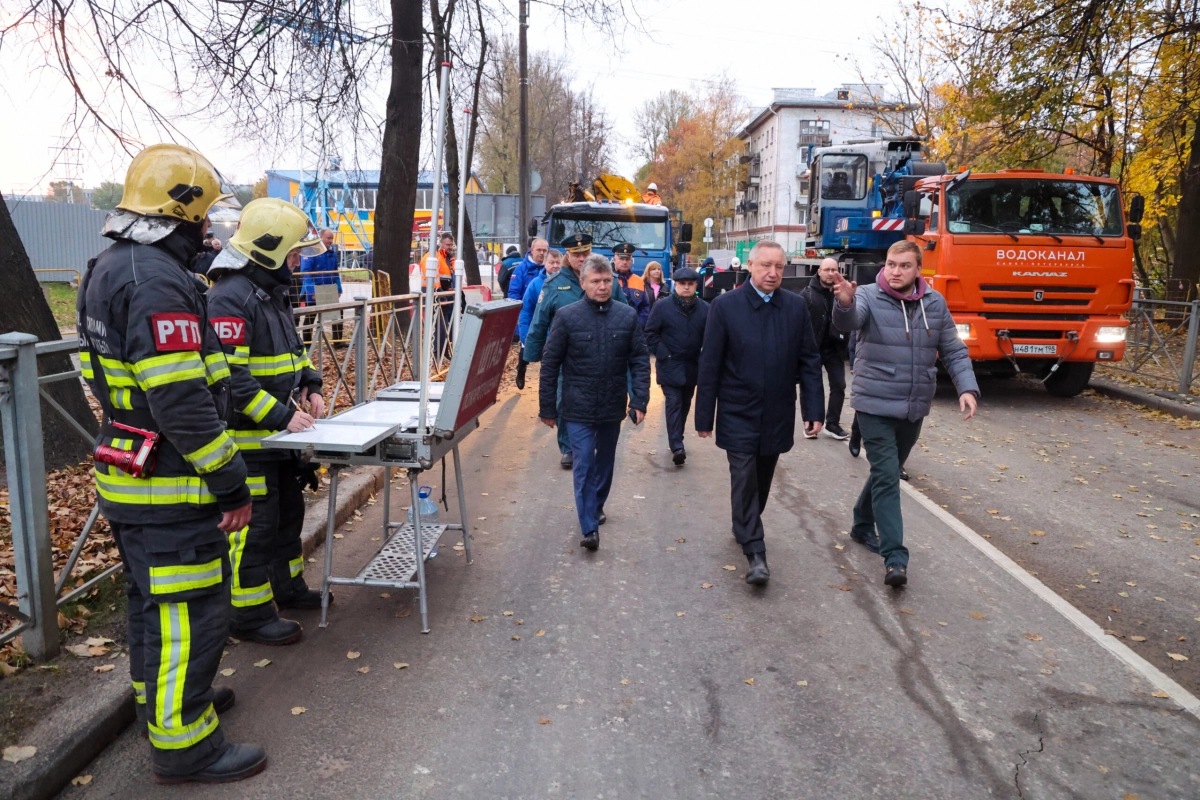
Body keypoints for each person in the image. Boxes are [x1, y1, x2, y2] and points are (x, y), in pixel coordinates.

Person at [77, 143, 263, 784]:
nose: (208, 233)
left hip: (132, 476)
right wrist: (231, 480)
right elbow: (182, 401)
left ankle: (158, 705)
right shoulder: (156, 281)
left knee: (151, 605)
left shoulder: (111, 265)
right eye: (203, 219)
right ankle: (185, 745)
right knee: (191, 614)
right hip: (170, 488)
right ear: (178, 214)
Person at [206, 198, 329, 644]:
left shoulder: (269, 294)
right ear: (268, 250)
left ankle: (288, 588)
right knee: (255, 530)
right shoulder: (228, 299)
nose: (297, 262)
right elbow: (230, 379)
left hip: (277, 439)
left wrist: (311, 383)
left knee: (286, 516)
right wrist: (282, 416)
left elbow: (294, 353)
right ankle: (250, 614)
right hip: (249, 443)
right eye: (294, 253)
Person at [831, 239, 979, 587]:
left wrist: (968, 388)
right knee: (887, 475)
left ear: (918, 269)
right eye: (890, 264)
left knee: (889, 470)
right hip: (874, 403)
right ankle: (895, 557)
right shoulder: (867, 295)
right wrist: (844, 301)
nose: (895, 271)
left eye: (903, 266)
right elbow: (850, 321)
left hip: (914, 405)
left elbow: (954, 351)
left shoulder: (935, 302)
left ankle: (861, 523)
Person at [695, 240, 825, 587]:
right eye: (765, 265)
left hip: (777, 412)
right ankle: (756, 553)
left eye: (779, 267)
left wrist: (814, 409)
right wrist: (704, 416)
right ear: (749, 266)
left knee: (761, 480)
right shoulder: (725, 306)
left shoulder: (795, 308)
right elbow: (710, 365)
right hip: (738, 410)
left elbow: (809, 362)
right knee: (744, 476)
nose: (772, 273)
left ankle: (744, 523)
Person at [538, 254, 650, 551]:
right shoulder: (567, 316)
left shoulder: (626, 316)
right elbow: (551, 364)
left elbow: (639, 360)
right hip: (577, 406)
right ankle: (589, 527)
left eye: (606, 281)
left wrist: (639, 399)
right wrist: (547, 407)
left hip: (612, 404)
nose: (602, 286)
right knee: (584, 463)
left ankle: (596, 504)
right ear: (583, 282)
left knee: (605, 461)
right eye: (596, 281)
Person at [525, 234, 630, 469]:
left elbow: (625, 313)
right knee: (564, 399)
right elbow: (540, 321)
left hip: (603, 350)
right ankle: (568, 447)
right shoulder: (554, 285)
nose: (582, 258)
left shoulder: (604, 280)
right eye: (577, 254)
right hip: (566, 355)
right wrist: (530, 355)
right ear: (567, 256)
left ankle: (590, 441)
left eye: (586, 253)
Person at [644, 266, 708, 466]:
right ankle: (677, 445)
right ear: (675, 285)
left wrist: (704, 356)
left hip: (692, 365)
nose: (686, 288)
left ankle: (677, 437)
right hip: (670, 363)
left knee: (686, 402)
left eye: (690, 284)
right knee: (673, 402)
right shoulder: (662, 307)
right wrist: (664, 354)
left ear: (696, 285)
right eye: (682, 284)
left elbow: (712, 336)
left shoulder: (705, 309)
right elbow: (651, 333)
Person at [799, 258, 851, 440]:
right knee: (812, 386)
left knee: (839, 385)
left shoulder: (842, 293)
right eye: (826, 269)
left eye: (834, 270)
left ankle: (833, 424)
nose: (830, 273)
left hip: (835, 349)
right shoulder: (806, 295)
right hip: (813, 349)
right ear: (818, 271)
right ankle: (810, 422)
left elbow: (852, 321)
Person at [515, 249, 562, 390]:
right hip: (543, 336)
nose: (555, 266)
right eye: (551, 262)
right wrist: (525, 335)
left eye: (558, 262)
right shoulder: (536, 284)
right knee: (547, 371)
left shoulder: (571, 283)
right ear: (545, 264)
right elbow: (526, 310)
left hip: (562, 337)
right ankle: (521, 370)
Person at [298, 228, 343, 344]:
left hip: (329, 289)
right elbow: (306, 273)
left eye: (332, 238)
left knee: (337, 315)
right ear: (321, 237)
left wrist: (338, 288)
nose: (331, 241)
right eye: (328, 238)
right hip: (315, 289)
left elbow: (335, 272)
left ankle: (338, 341)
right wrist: (312, 292)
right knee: (310, 317)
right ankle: (307, 343)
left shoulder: (331, 254)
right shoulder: (311, 252)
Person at [612, 242, 650, 326]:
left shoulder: (639, 280)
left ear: (631, 261)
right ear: (614, 260)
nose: (625, 262)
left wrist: (638, 324)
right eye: (621, 259)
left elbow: (644, 307)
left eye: (627, 259)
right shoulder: (606, 279)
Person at [506, 237, 549, 304]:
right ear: (532, 250)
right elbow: (514, 293)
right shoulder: (521, 269)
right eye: (539, 250)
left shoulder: (551, 268)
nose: (542, 253)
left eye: (544, 250)